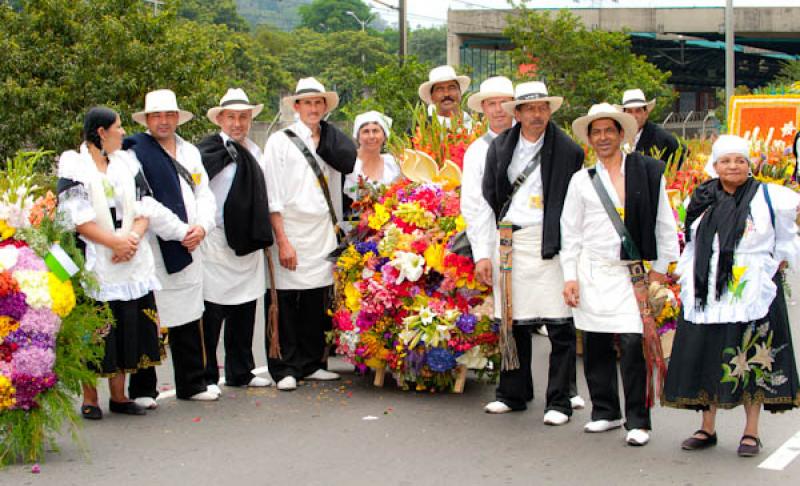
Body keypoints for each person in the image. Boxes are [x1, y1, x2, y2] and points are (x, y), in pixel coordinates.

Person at [663, 135, 800, 457]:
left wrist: (770, 267)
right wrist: (685, 276)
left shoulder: (769, 196)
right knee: (707, 354)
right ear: (715, 165)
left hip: (753, 289)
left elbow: (787, 238)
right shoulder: (701, 198)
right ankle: (706, 427)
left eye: (739, 160)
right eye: (726, 160)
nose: (733, 166)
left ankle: (751, 432)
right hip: (707, 290)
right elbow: (693, 243)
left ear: (749, 164)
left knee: (751, 356)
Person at [561, 103, 679, 446]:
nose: (602, 138)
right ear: (589, 138)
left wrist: (659, 271)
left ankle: (638, 420)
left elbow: (664, 224)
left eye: (608, 131)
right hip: (593, 270)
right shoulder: (581, 181)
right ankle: (605, 412)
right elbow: (571, 232)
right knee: (595, 343)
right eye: (595, 132)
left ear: (621, 134)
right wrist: (570, 276)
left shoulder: (647, 172)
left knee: (632, 344)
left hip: (633, 274)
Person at [57, 107, 186, 418]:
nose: (122, 132)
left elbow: (145, 205)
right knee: (95, 330)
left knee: (127, 325)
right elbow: (77, 218)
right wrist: (114, 241)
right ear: (101, 132)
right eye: (117, 127)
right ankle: (90, 398)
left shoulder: (126, 162)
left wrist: (131, 238)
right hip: (94, 257)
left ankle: (119, 395)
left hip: (128, 255)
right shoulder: (75, 165)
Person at [479, 81, 585, 424]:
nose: (537, 114)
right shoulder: (500, 146)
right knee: (513, 321)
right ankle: (513, 392)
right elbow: (490, 192)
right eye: (529, 109)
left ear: (549, 111)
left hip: (551, 239)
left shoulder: (568, 150)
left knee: (559, 324)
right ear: (518, 113)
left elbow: (573, 199)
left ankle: (559, 400)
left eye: (542, 108)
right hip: (511, 240)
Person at [125, 89, 218, 403]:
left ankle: (192, 383)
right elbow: (143, 201)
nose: (163, 121)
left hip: (192, 245)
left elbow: (204, 193)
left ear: (178, 118)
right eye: (156, 116)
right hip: (154, 247)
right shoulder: (133, 152)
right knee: (149, 317)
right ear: (147, 119)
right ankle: (142, 388)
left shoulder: (190, 151)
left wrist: (202, 227)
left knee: (190, 316)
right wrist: (180, 232)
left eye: (168, 115)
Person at [263, 77, 356, 391]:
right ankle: (285, 366)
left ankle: (314, 362)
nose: (313, 109)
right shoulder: (280, 141)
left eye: (319, 103)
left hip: (322, 229)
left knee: (319, 299)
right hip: (291, 228)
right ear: (297, 107)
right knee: (287, 300)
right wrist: (282, 239)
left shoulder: (332, 141)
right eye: (308, 103)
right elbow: (272, 194)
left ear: (325, 107)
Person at [196, 88, 273, 393]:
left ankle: (241, 371)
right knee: (212, 313)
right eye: (232, 117)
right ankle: (205, 376)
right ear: (220, 119)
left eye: (243, 117)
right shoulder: (205, 152)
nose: (238, 123)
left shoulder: (255, 151)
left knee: (244, 310)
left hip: (247, 243)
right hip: (215, 241)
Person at [616, 89, 683, 166]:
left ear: (646, 114)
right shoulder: (617, 138)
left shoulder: (662, 138)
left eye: (638, 111)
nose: (634, 116)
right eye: (629, 111)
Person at [343, 110, 401, 198]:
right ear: (358, 137)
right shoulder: (348, 163)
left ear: (385, 136)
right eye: (366, 131)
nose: (371, 136)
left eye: (375, 131)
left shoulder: (393, 164)